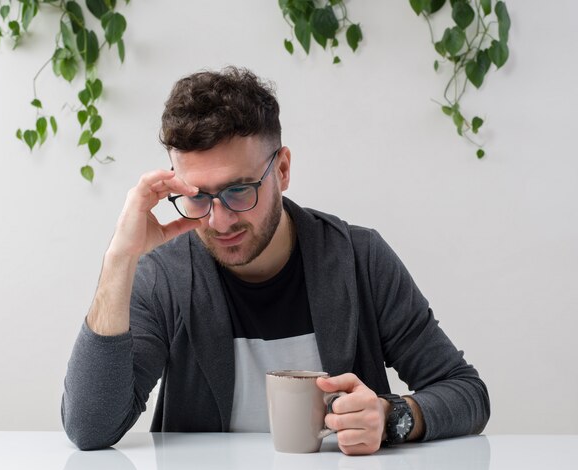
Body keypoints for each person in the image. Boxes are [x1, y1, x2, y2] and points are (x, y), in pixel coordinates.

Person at [61, 66, 489, 455]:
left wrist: (390, 416)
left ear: (282, 170)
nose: (220, 219)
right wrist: (121, 258)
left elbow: (466, 392)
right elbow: (89, 428)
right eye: (197, 197)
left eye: (239, 190)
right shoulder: (166, 276)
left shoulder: (360, 258)